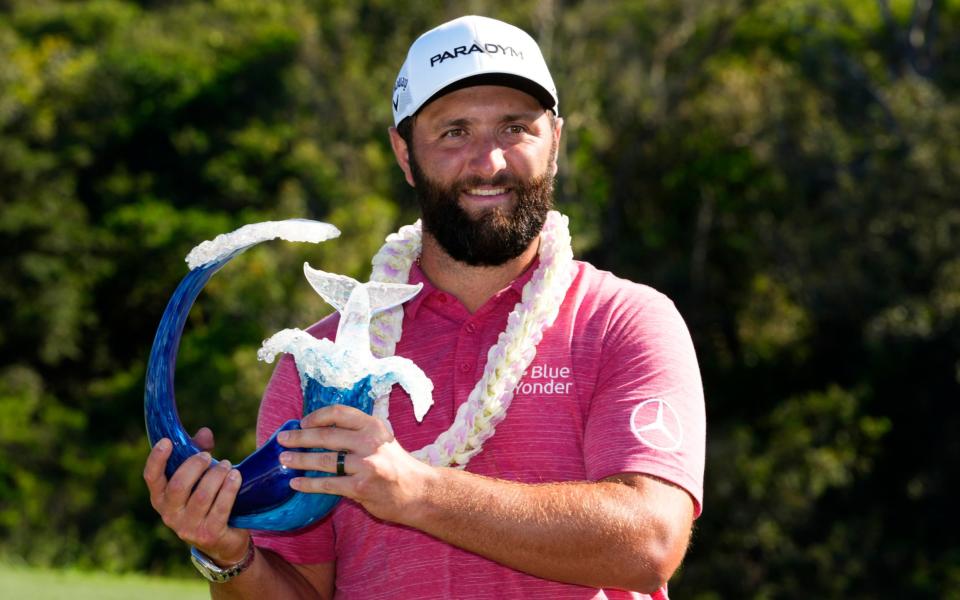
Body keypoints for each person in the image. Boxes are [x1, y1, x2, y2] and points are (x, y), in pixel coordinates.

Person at [144, 15, 705, 600]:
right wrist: (228, 555)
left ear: (556, 142)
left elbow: (650, 543)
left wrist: (414, 492)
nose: (489, 162)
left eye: (515, 128)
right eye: (454, 132)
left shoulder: (626, 322)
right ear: (405, 153)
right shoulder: (320, 363)